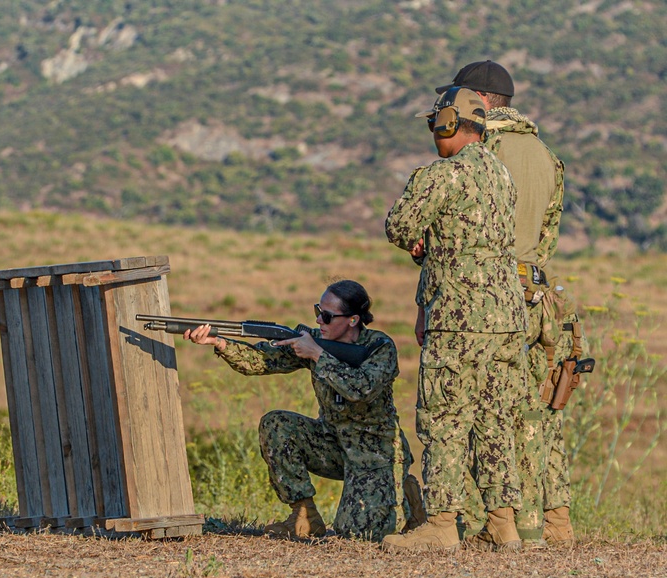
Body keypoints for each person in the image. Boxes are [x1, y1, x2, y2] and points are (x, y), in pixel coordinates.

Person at [381, 86, 528, 552]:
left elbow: (398, 226)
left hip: (459, 317)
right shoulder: (502, 175)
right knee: (495, 416)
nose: (432, 133)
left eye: (434, 124)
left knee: (444, 416)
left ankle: (442, 525)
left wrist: (422, 238)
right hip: (507, 316)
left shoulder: (441, 175)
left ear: (448, 122)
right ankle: (503, 522)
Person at [436, 60, 575, 548]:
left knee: (477, 412)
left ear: (479, 99)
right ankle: (554, 522)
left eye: (455, 95)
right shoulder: (547, 156)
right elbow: (547, 239)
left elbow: (458, 228)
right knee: (534, 413)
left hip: (486, 300)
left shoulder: (479, 151)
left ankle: (513, 525)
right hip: (535, 294)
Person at [183, 280, 423, 542]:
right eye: (318, 311)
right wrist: (219, 343)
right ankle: (304, 517)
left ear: (353, 320)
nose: (320, 320)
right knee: (277, 424)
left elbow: (361, 389)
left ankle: (406, 494)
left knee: (357, 534)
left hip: (376, 454)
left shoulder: (379, 347)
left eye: (328, 316)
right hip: (333, 445)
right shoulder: (314, 341)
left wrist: (318, 355)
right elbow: (259, 361)